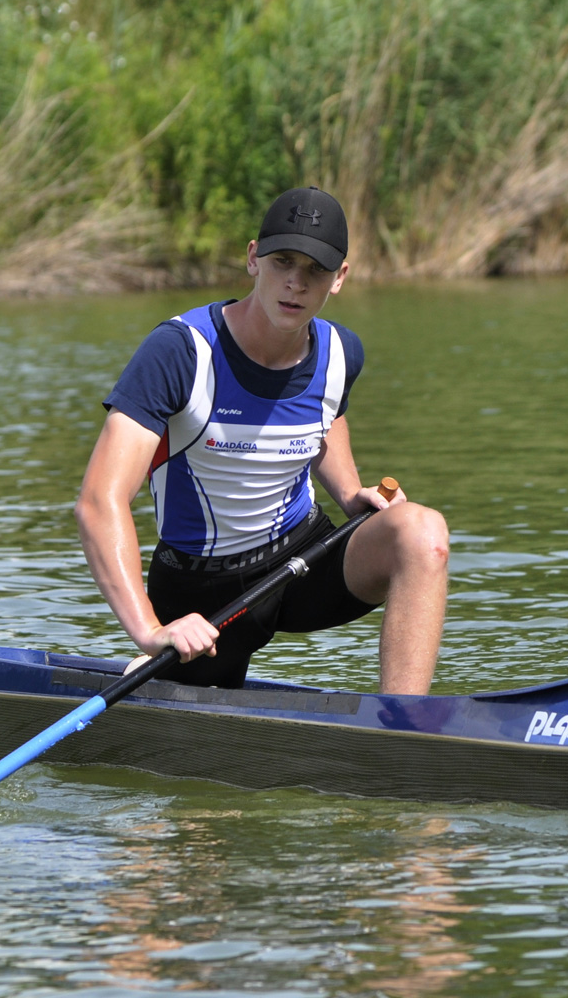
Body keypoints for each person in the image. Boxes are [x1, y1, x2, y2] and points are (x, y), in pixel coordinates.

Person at [74, 187, 448, 695]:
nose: (295, 283)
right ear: (253, 259)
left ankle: (404, 732)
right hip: (200, 592)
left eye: (315, 269)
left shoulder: (342, 352)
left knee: (421, 533)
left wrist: (349, 492)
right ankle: (150, 664)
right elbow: (100, 502)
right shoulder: (181, 352)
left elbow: (322, 420)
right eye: (282, 262)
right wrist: (152, 630)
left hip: (302, 562)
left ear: (339, 278)